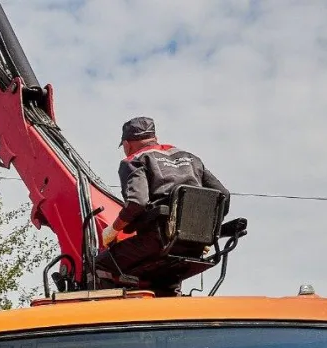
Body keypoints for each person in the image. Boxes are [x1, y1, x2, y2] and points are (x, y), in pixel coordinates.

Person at [95, 116, 230, 294]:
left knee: (99, 265)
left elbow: (137, 202)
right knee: (167, 276)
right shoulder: (190, 158)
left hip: (158, 241)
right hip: (194, 247)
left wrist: (113, 230)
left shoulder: (134, 160)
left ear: (127, 144)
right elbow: (223, 196)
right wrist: (205, 232)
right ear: (154, 138)